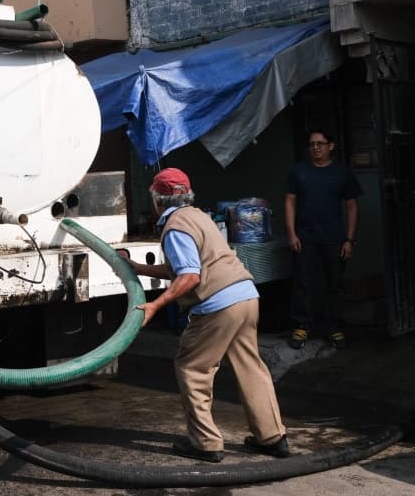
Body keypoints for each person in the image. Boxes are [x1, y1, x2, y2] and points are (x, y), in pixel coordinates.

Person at [130, 168, 288, 463]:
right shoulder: (200, 217)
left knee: (192, 368)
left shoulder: (175, 226)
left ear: (156, 200)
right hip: (245, 295)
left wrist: (155, 305)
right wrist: (139, 268)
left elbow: (189, 276)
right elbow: (183, 267)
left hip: (217, 305)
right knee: (250, 365)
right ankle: (272, 437)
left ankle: (205, 443)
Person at [285, 129, 362, 350]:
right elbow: (290, 201)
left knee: (334, 285)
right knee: (303, 283)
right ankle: (302, 326)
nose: (315, 147)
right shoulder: (298, 171)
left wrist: (349, 239)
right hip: (305, 238)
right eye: (311, 144)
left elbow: (352, 206)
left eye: (320, 143)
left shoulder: (341, 173)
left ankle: (334, 327)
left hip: (334, 239)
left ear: (331, 146)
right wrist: (292, 234)